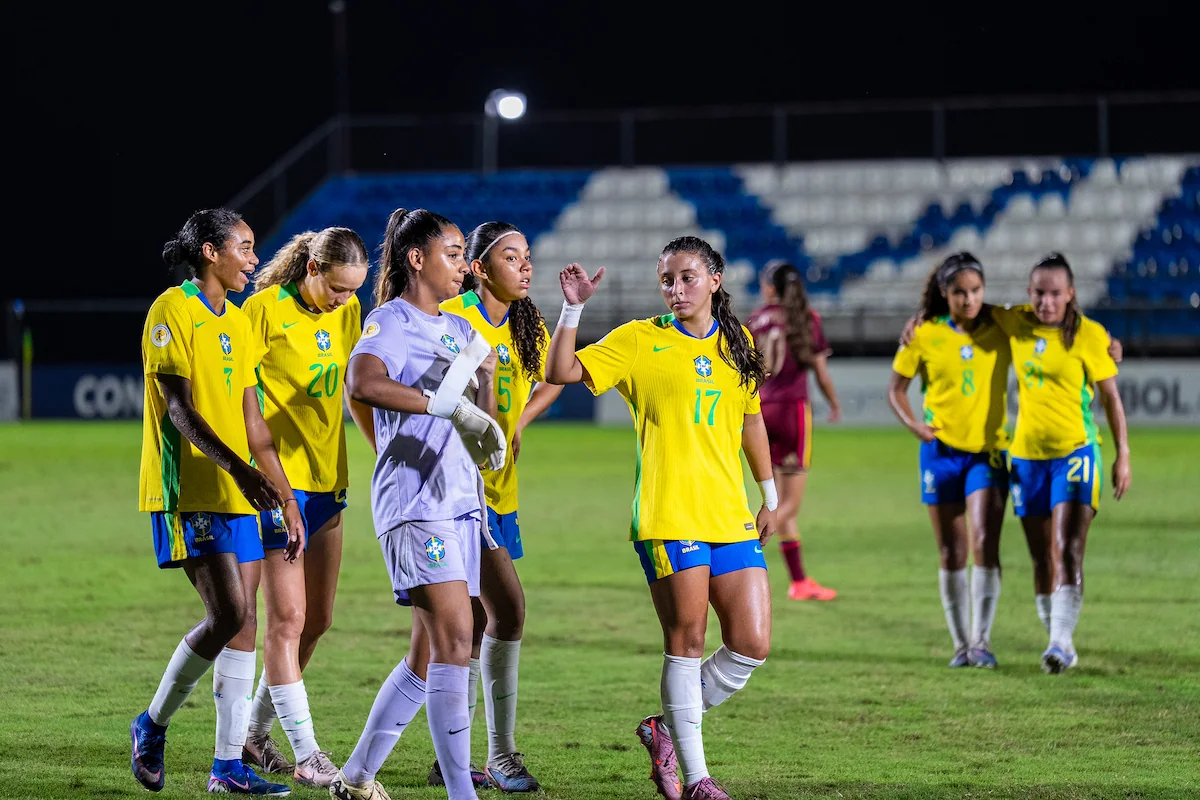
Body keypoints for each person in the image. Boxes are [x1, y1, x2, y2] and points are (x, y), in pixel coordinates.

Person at [544, 237, 778, 800]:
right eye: (667, 280)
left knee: (752, 643)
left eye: (687, 277)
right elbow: (562, 369)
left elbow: (751, 422)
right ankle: (698, 780)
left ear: (715, 280)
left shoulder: (738, 342)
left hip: (728, 514)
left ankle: (664, 727)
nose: (676, 289)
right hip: (668, 515)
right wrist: (573, 308)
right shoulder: (637, 340)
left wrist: (769, 495)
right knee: (688, 638)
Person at [329, 208, 506, 800]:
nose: (462, 265)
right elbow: (363, 384)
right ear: (417, 259)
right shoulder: (390, 321)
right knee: (459, 636)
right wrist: (443, 406)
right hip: (414, 502)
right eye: (453, 254)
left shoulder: (460, 330)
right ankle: (463, 793)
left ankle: (355, 777)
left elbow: (481, 419)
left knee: (428, 654)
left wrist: (484, 395)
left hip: (459, 504)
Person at [130, 208, 303, 797]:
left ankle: (228, 766)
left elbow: (252, 419)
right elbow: (178, 410)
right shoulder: (170, 310)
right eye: (246, 248)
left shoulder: (241, 321)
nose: (254, 259)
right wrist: (239, 470)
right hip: (190, 489)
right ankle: (151, 725)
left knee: (244, 624)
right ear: (210, 251)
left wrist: (274, 485)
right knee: (230, 612)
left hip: (239, 490)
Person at [428, 221, 562, 792]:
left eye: (528, 256)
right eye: (512, 257)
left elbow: (557, 377)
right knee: (505, 613)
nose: (526, 266)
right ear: (479, 268)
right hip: (460, 497)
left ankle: (448, 758)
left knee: (465, 628)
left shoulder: (523, 325)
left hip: (500, 494)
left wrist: (518, 420)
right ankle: (499, 757)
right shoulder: (454, 318)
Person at [237, 228, 370, 787]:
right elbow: (241, 402)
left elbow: (354, 388)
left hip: (328, 483)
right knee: (287, 619)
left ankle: (252, 734)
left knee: (317, 621)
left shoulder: (351, 309)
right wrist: (268, 480)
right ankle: (308, 751)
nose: (343, 301)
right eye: (336, 289)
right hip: (277, 485)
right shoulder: (262, 310)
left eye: (351, 292)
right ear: (312, 267)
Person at [993, 253, 1131, 674]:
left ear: (1070, 294)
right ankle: (1055, 635)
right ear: (1028, 293)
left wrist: (1123, 453)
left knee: (1067, 549)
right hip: (1027, 457)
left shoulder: (1090, 335)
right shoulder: (1014, 322)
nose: (1046, 301)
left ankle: (1060, 643)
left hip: (1077, 452)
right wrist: (918, 321)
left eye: (1055, 293)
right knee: (1040, 558)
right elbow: (960, 308)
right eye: (1038, 292)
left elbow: (1110, 397)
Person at [887, 253, 1010, 668]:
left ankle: (982, 640)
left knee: (984, 543)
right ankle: (961, 645)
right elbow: (897, 389)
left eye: (976, 291)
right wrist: (915, 425)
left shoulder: (1002, 327)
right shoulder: (925, 334)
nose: (970, 299)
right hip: (939, 454)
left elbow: (1046, 321)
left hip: (988, 454)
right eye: (961, 292)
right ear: (945, 293)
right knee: (950, 552)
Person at [746, 260, 842, 602]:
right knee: (788, 505)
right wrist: (833, 403)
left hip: (758, 411)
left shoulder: (754, 320)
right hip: (792, 411)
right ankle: (741, 549)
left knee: (773, 499)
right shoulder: (806, 319)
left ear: (770, 287)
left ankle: (800, 581)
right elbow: (821, 372)